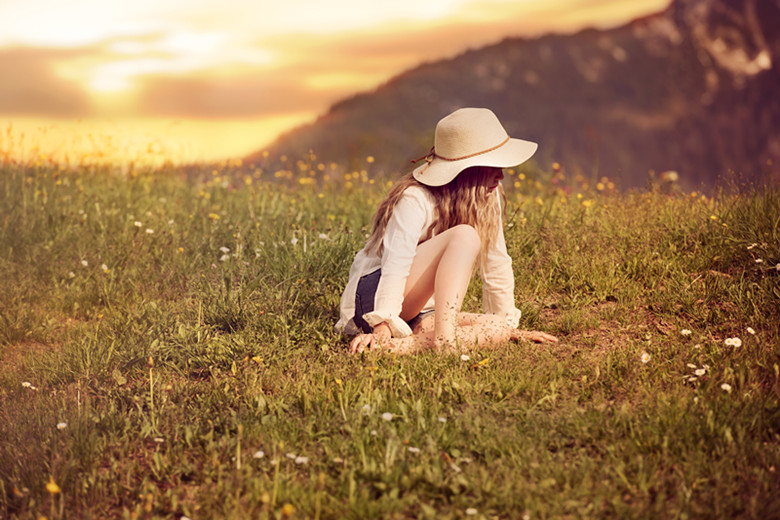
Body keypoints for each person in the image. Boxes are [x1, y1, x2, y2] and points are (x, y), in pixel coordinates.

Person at [335, 107, 558, 354]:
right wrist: (383, 326)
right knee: (465, 235)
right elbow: (395, 265)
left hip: (421, 308)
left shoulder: (487, 196)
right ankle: (444, 341)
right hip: (377, 298)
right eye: (494, 165)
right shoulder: (415, 198)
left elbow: (497, 264)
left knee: (497, 325)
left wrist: (507, 328)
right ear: (470, 169)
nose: (501, 175)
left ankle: (400, 348)